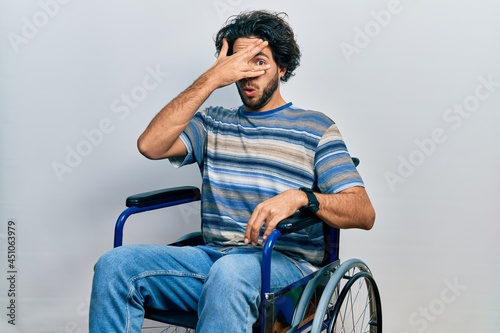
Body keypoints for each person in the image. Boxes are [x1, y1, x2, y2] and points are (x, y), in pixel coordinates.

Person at [89, 10, 375, 333]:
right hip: (212, 261)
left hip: (287, 274)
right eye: (240, 63)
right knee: (114, 267)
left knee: (231, 272)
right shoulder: (214, 123)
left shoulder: (316, 128)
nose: (248, 75)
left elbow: (363, 212)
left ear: (282, 67)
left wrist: (300, 197)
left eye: (259, 62)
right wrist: (211, 79)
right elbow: (150, 145)